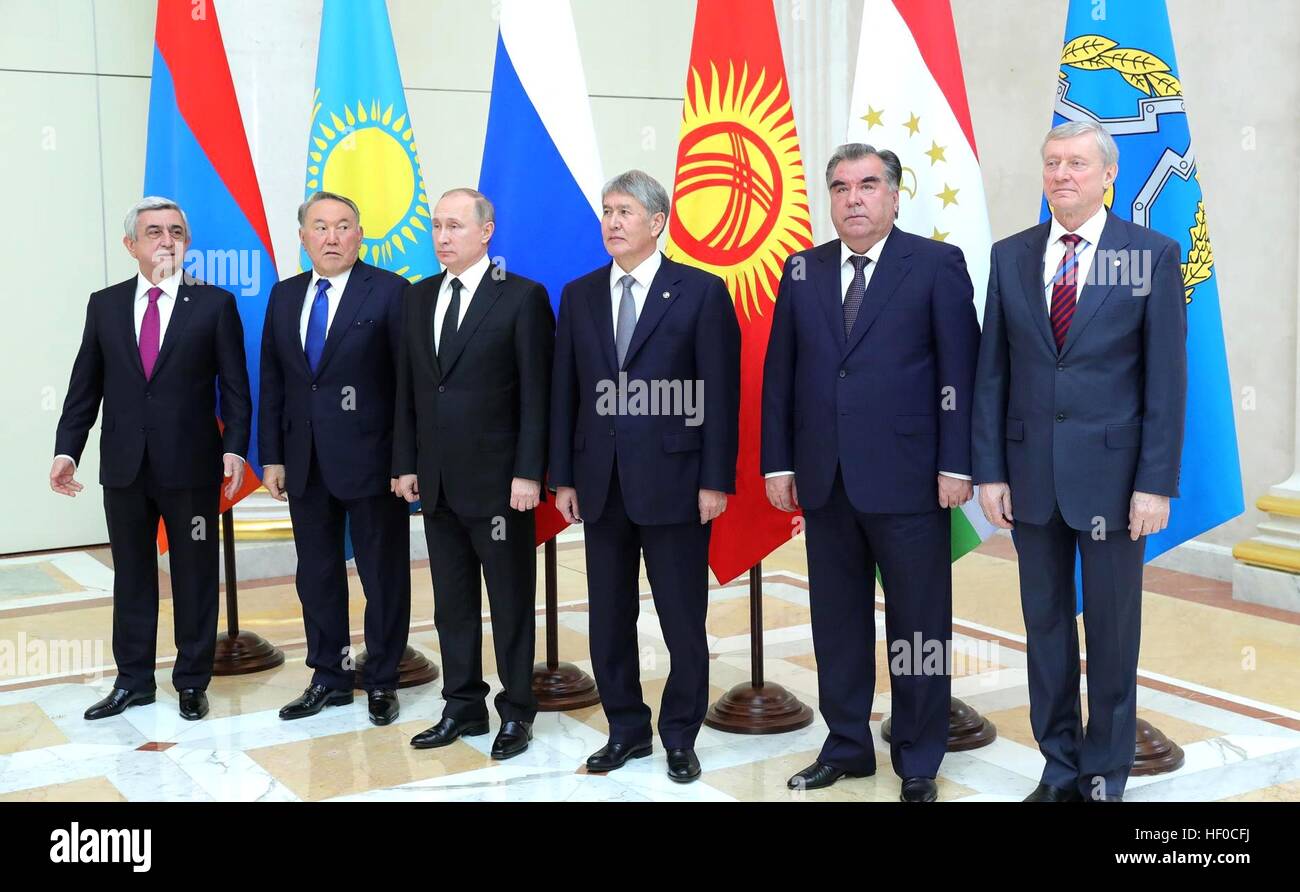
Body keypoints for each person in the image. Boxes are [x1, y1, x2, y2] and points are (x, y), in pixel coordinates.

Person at [971, 120, 1187, 802]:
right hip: (1030, 480)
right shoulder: (1010, 257)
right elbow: (991, 376)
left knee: (1115, 636)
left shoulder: (1151, 254)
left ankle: (1103, 776)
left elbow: (1166, 382)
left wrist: (1155, 483)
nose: (1062, 173)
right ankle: (1059, 766)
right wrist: (990, 471)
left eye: (1076, 163)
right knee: (1045, 632)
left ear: (1107, 175)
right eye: (1052, 162)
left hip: (1117, 484)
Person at [762, 144, 980, 802]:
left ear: (893, 194)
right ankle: (848, 744)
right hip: (825, 481)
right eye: (839, 187)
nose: (852, 198)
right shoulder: (801, 270)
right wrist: (779, 462)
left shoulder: (936, 265)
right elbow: (780, 377)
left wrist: (956, 464)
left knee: (919, 625)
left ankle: (918, 755)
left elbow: (959, 373)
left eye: (867, 185)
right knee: (837, 622)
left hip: (911, 479)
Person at [549, 170, 740, 783]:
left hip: (678, 484)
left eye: (624, 211)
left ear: (657, 222)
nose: (611, 222)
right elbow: (565, 393)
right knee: (607, 617)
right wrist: (564, 477)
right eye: (607, 211)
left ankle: (680, 735)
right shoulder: (578, 294)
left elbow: (718, 393)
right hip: (600, 484)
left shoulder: (700, 292)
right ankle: (626, 730)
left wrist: (715, 480)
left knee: (682, 618)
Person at [52, 196, 251, 721]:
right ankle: (134, 680)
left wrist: (235, 449)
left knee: (194, 573)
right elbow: (84, 386)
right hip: (124, 467)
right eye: (155, 232)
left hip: (191, 466)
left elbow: (235, 389)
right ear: (131, 245)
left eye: (176, 231)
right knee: (133, 575)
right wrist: (66, 450)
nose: (167, 240)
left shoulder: (214, 305)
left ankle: (191, 681)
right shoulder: (105, 304)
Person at [394, 189, 554, 759]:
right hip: (436, 483)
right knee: (451, 604)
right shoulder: (418, 298)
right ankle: (462, 706)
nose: (442, 236)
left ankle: (517, 712)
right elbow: (408, 392)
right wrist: (404, 463)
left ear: (486, 232)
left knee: (509, 603)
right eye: (436, 225)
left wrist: (530, 472)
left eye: (455, 226)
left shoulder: (522, 298)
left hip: (500, 486)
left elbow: (539, 394)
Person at [259, 191, 412, 726]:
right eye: (319, 227)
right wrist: (271, 456)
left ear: (359, 235)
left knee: (382, 575)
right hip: (304, 462)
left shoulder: (391, 292)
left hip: (373, 464)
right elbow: (274, 381)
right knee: (317, 574)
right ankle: (329, 676)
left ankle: (382, 679)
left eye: (343, 226)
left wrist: (403, 461)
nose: (331, 237)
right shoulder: (284, 296)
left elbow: (406, 387)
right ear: (302, 236)